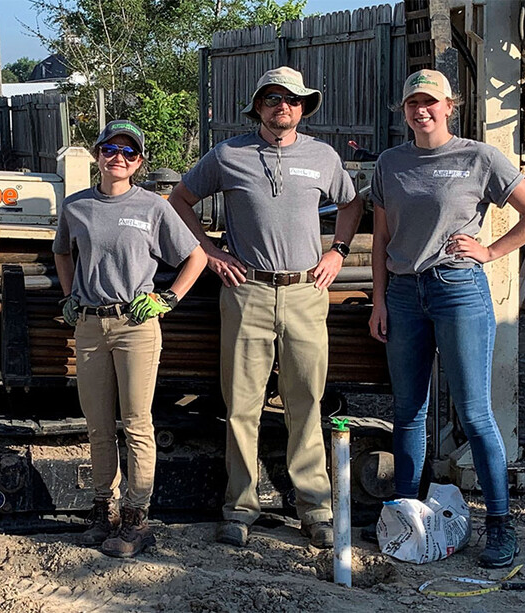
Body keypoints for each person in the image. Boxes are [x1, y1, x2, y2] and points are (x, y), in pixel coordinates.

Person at [168, 67, 363, 549]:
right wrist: (210, 253)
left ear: (303, 108)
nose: (284, 107)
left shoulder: (322, 156)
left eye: (293, 100)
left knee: (306, 402)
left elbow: (352, 204)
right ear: (258, 106)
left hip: (305, 292)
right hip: (247, 291)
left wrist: (337, 250)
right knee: (242, 406)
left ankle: (315, 508)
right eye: (274, 98)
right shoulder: (228, 155)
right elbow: (179, 200)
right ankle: (239, 508)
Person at [367, 69, 525, 568]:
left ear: (451, 105)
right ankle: (403, 515)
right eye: (412, 103)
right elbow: (381, 240)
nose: (420, 110)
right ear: (403, 110)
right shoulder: (390, 163)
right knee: (408, 413)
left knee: (474, 414)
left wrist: (490, 250)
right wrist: (380, 301)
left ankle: (500, 525)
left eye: (430, 102)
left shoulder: (479, 157)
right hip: (404, 295)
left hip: (457, 290)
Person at [54, 120, 206, 558]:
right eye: (110, 149)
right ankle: (104, 511)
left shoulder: (153, 207)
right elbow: (62, 251)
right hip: (89, 324)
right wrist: (69, 295)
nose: (117, 158)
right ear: (98, 154)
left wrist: (169, 298)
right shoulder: (76, 206)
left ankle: (137, 517)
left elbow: (194, 255)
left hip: (136, 324)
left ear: (139, 162)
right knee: (98, 425)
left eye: (128, 152)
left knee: (137, 424)